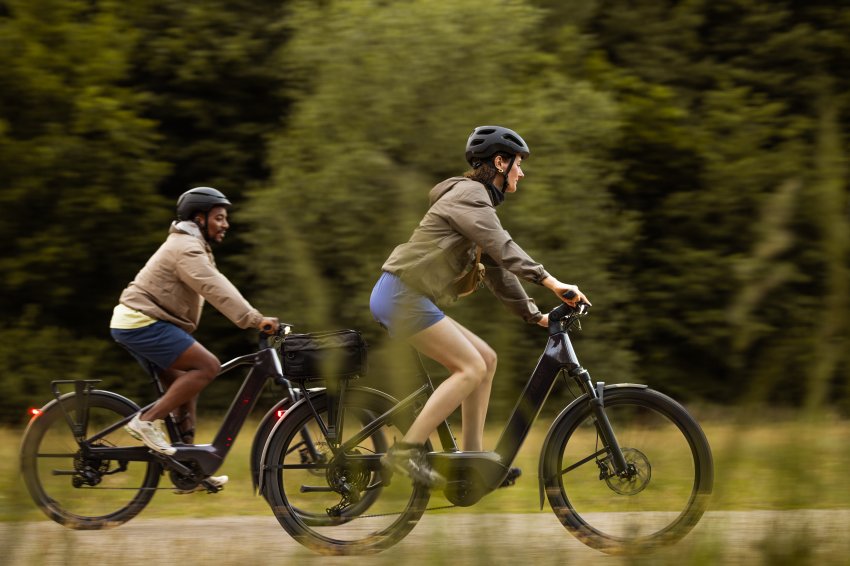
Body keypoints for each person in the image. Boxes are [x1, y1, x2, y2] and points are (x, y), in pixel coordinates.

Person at [370, 126, 590, 488]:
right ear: (500, 162)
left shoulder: (474, 203)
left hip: (408, 296)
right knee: (469, 367)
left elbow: (498, 269)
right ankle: (407, 451)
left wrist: (534, 314)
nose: (522, 172)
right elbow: (503, 246)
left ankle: (471, 463)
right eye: (518, 163)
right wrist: (551, 281)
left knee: (486, 360)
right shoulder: (470, 196)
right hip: (400, 295)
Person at [111, 187, 279, 491]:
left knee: (186, 386)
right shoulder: (186, 248)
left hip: (138, 321)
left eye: (225, 218)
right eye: (219, 218)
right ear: (199, 218)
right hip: (142, 321)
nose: (225, 224)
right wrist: (256, 320)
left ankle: (190, 468)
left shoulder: (190, 244)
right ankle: (146, 421)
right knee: (207, 367)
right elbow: (216, 287)